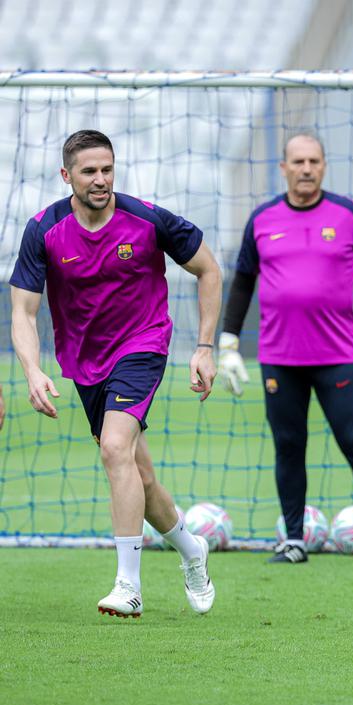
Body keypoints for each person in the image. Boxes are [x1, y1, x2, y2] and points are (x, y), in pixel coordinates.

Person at [9, 129, 219, 618]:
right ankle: (193, 552)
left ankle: (128, 586)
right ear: (67, 176)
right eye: (89, 171)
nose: (101, 179)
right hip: (84, 364)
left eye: (107, 169)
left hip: (143, 346)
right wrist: (33, 370)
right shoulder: (43, 230)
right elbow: (22, 311)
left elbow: (208, 269)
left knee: (113, 448)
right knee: (138, 476)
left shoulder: (147, 219)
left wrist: (204, 347)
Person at [218, 133, 353, 565]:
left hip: (336, 356)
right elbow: (243, 281)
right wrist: (227, 342)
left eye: (314, 161)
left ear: (323, 166)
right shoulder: (262, 218)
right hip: (279, 359)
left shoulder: (347, 214)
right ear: (283, 167)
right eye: (298, 161)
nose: (306, 168)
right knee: (288, 446)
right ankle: (294, 542)